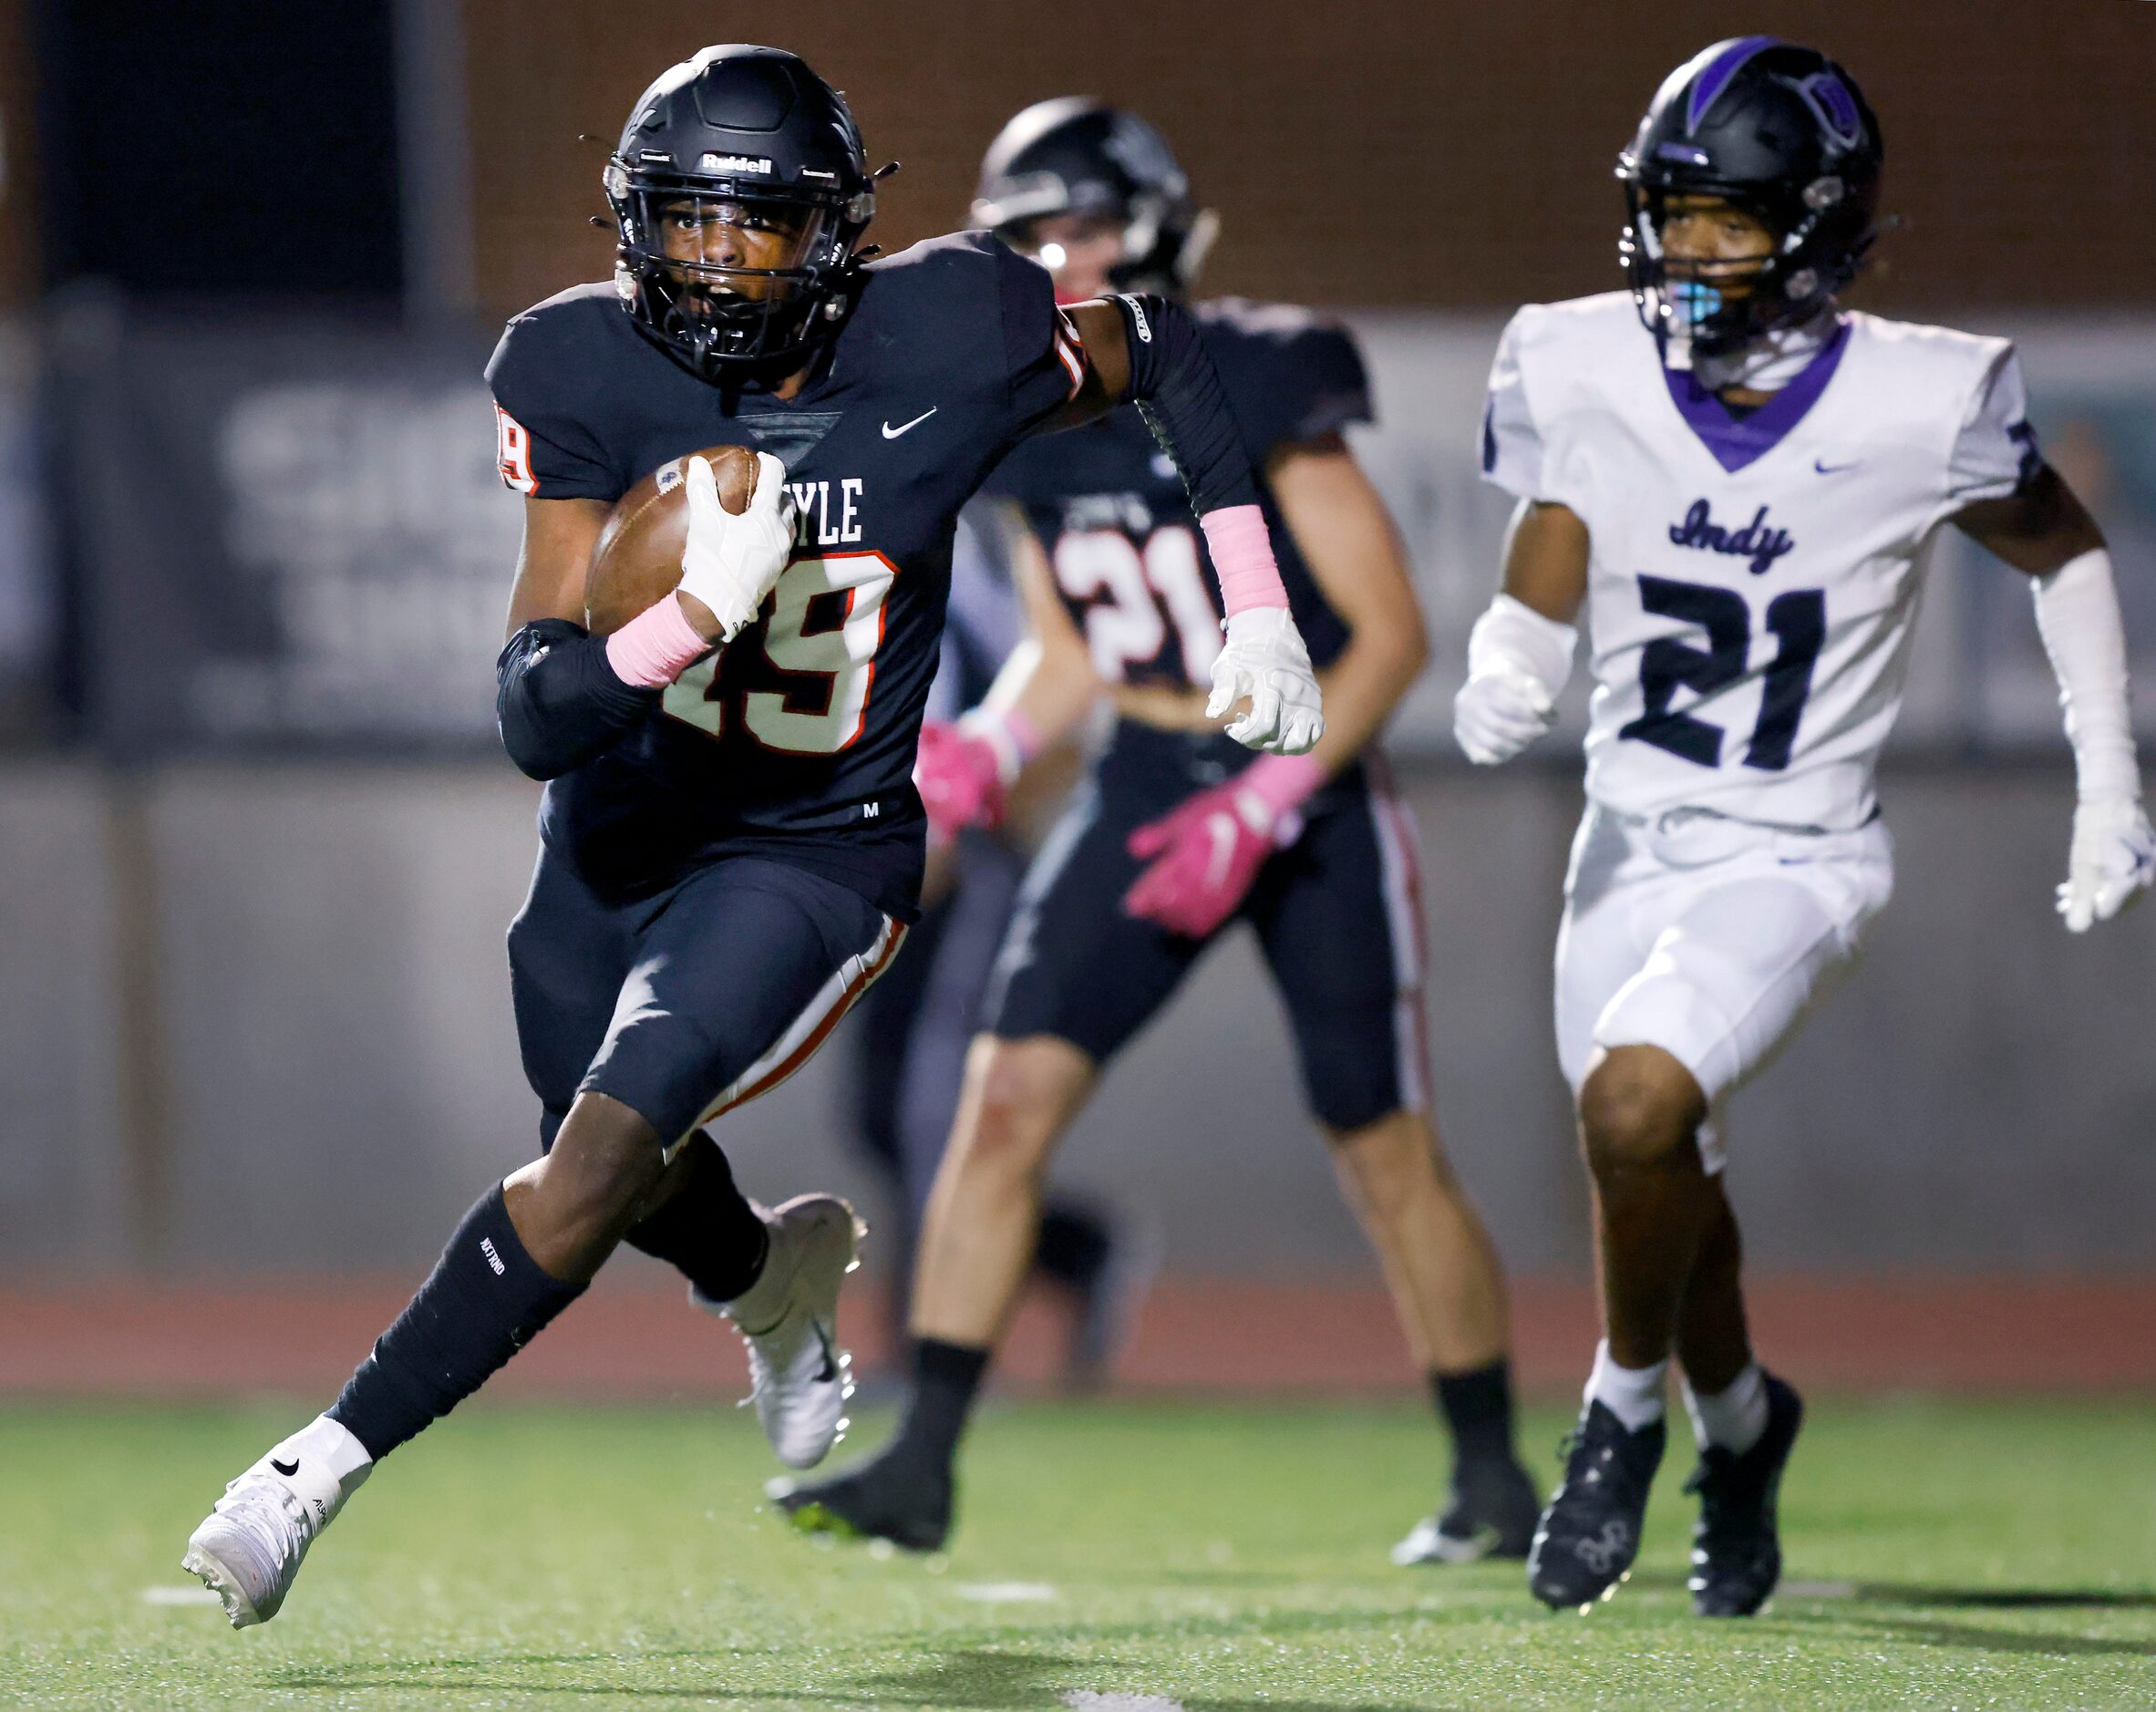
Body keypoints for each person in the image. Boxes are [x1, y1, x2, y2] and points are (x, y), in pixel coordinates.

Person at [179, 44, 1326, 1629]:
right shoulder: (579, 368)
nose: (716, 261)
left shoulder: (953, 323)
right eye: (688, 222)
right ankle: (768, 1279)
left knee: (587, 1164)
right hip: (615, 833)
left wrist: (1254, 610)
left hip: (811, 844)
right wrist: (687, 622)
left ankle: (310, 1468)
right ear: (634, 222)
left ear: (836, 237)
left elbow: (1163, 346)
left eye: (758, 226)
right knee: (623, 1165)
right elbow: (534, 710)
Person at [775, 98, 1538, 1564]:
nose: (1059, 256)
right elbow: (1070, 648)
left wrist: (1264, 799)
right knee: (996, 1108)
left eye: (1087, 225)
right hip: (1137, 773)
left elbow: (1386, 634)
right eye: (1030, 232)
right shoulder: (1014, 409)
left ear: (1159, 228)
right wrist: (992, 742)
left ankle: (1492, 1469)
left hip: (1301, 786)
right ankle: (924, 1461)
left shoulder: (1249, 367)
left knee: (1380, 1143)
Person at [1451, 37, 2153, 1616]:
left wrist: (2109, 778)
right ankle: (1749, 1425)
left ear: (1819, 227)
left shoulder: (1924, 398)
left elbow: (2067, 552)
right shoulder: (1585, 362)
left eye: (1723, 222)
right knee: (1665, 1178)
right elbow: (1560, 503)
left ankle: (1622, 1416)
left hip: (1798, 854)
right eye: (1668, 215)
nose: (1684, 255)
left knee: (1637, 1109)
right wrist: (1515, 648)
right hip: (1621, 850)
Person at [836, 514, 1142, 1385]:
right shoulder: (854, 550)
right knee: (877, 1109)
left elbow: (1055, 707)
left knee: (933, 1108)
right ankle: (1073, 1249)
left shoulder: (981, 557)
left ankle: (935, 1351)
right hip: (880, 867)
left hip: (960, 871)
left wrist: (963, 831)